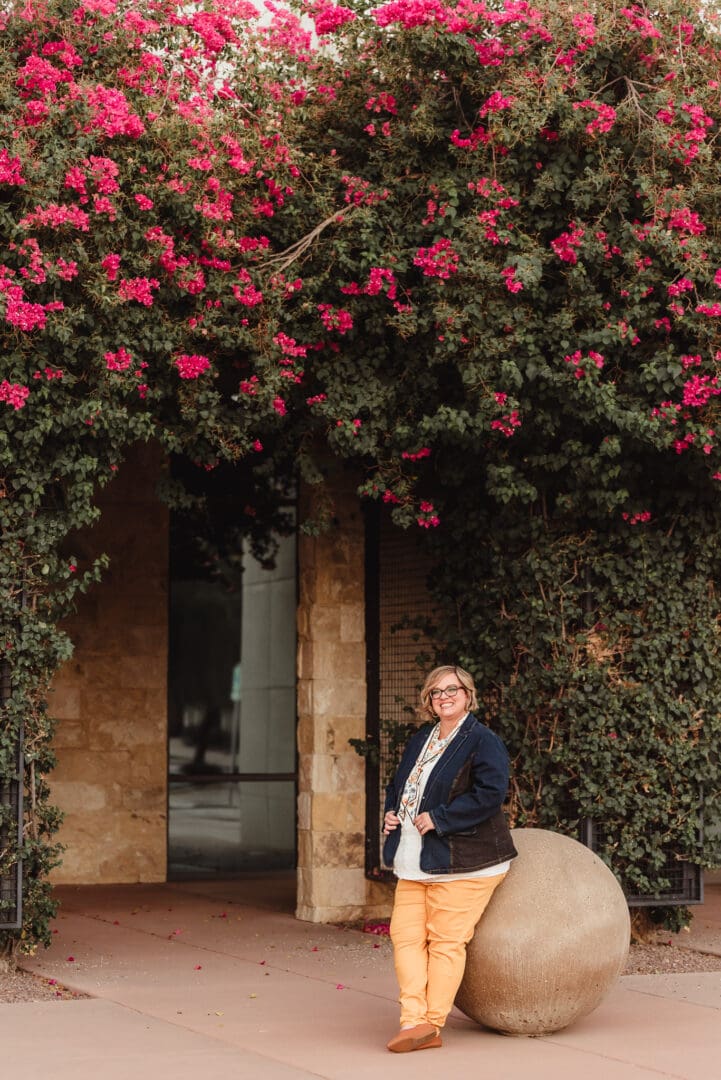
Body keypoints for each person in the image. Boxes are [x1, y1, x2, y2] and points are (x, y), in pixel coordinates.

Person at [382, 664, 518, 1053]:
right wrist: (393, 811)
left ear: (468, 695)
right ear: (429, 700)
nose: (444, 696)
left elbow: (490, 793)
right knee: (404, 937)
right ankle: (413, 1020)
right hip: (414, 857)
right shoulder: (422, 739)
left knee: (445, 942)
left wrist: (440, 818)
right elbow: (400, 784)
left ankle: (430, 1023)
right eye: (436, 692)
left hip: (464, 861)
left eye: (452, 690)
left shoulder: (482, 740)